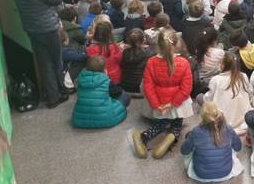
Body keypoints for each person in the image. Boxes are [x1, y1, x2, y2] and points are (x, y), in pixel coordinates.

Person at [12, 0, 67, 108]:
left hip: (31, 27)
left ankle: (52, 96)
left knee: (43, 62)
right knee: (56, 60)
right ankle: (59, 91)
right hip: (47, 27)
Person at [133, 30, 193, 159]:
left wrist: (157, 105)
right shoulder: (184, 62)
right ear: (176, 44)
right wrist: (172, 103)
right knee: (177, 123)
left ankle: (143, 136)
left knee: (160, 122)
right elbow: (186, 88)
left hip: (159, 102)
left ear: (158, 45)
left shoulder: (151, 62)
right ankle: (172, 136)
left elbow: (148, 86)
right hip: (177, 104)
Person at [181, 102, 244, 183]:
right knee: (231, 146)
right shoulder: (228, 128)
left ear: (202, 117)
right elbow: (238, 147)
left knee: (190, 146)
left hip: (201, 174)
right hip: (225, 173)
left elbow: (184, 151)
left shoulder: (196, 131)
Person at [72, 56, 128, 129]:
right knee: (125, 95)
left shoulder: (79, 80)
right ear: (104, 69)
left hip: (80, 119)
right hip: (106, 119)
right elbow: (117, 92)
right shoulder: (106, 81)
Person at [205, 52, 253, 135]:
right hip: (243, 121)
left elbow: (208, 100)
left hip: (221, 121)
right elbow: (250, 93)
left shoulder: (215, 79)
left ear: (223, 65)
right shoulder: (244, 76)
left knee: (200, 98)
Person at [121, 29, 153, 97]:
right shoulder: (148, 53)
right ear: (143, 40)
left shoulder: (125, 52)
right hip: (140, 86)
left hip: (125, 85)